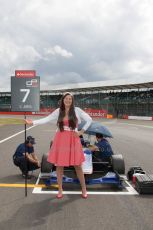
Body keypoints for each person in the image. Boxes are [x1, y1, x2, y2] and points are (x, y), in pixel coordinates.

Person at [26, 92, 92, 198]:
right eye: (66, 99)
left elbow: (89, 120)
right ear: (63, 100)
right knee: (59, 165)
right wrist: (33, 122)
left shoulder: (77, 110)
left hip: (73, 139)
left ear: (72, 100)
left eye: (70, 99)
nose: (68, 100)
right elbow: (46, 119)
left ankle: (84, 188)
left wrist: (81, 132)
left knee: (78, 165)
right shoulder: (58, 111)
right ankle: (60, 189)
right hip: (61, 139)